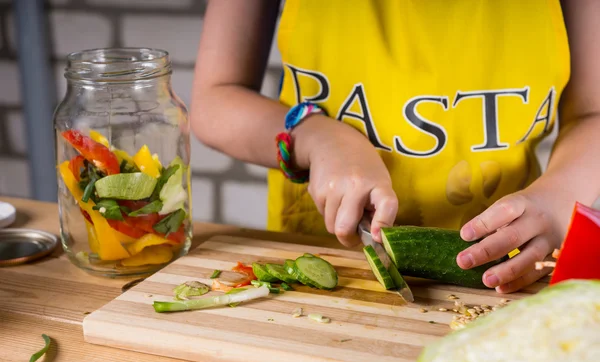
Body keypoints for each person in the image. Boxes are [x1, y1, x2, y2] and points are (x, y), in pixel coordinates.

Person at [190, 0, 600, 293]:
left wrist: (560, 194)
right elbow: (214, 100)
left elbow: (592, 113)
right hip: (334, 259)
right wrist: (315, 136)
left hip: (509, 263)